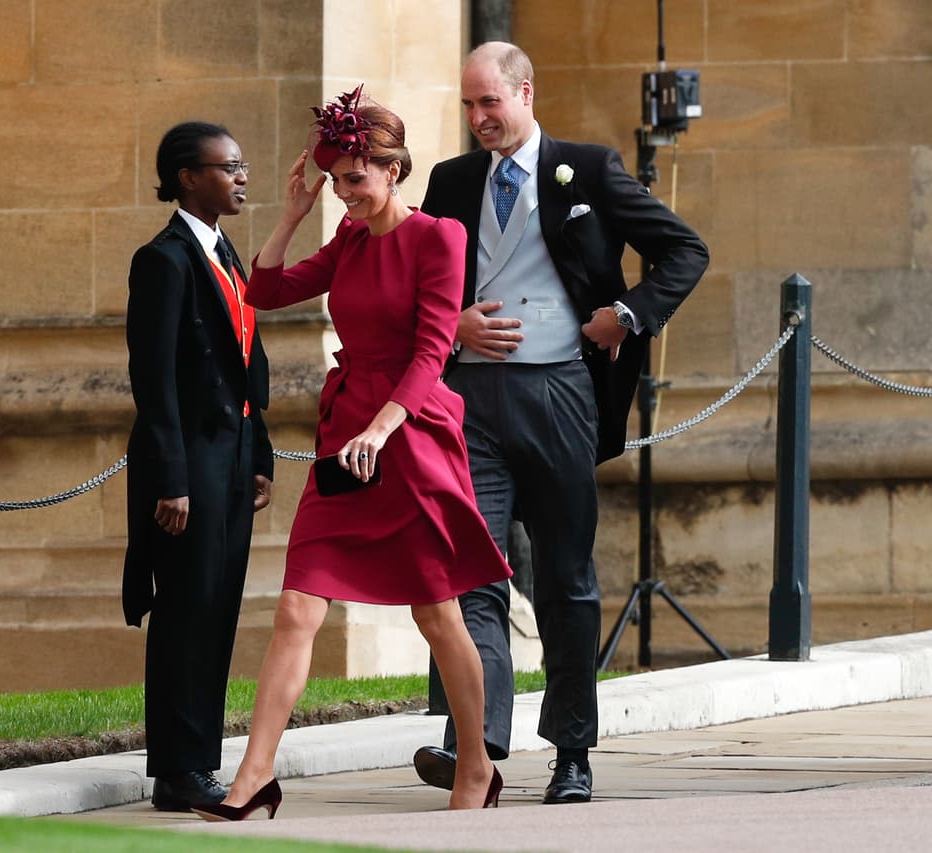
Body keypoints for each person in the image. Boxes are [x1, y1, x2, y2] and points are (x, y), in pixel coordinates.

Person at [192, 87, 511, 822]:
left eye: (355, 179)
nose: (344, 193)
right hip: (347, 437)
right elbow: (262, 291)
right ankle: (254, 776)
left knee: (439, 614)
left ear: (393, 170)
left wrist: (383, 427)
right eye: (336, 181)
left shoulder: (440, 238)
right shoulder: (347, 241)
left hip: (412, 435)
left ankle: (477, 762)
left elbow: (434, 347)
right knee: (298, 605)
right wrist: (293, 216)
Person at [414, 41, 709, 804]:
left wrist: (626, 315)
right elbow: (415, 285)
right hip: (470, 405)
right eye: (469, 105)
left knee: (567, 582)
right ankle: (474, 746)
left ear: (525, 92)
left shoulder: (591, 168)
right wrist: (452, 330)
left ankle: (572, 750)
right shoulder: (449, 182)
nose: (479, 118)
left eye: (491, 103)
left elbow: (684, 250)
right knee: (470, 570)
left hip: (562, 395)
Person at [122, 122, 275, 812]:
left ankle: (198, 760)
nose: (242, 177)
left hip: (235, 459)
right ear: (188, 177)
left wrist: (262, 454)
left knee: (216, 610)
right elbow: (152, 379)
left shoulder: (225, 252)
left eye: (241, 167)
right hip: (190, 465)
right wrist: (171, 478)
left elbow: (246, 363)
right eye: (229, 167)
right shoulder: (165, 259)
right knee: (184, 611)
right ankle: (176, 767)